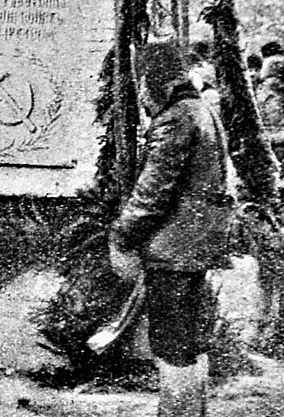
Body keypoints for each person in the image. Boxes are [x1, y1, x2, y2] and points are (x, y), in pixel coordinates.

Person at [110, 40, 233, 417]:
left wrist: (121, 236)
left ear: (154, 81)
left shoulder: (176, 118)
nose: (143, 96)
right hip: (197, 245)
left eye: (144, 85)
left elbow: (151, 192)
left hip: (173, 248)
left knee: (171, 343)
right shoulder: (203, 110)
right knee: (191, 342)